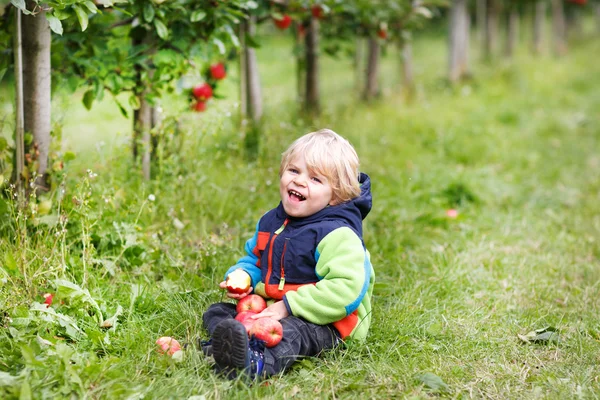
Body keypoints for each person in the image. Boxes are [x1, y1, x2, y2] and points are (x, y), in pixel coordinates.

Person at [202, 128, 375, 379]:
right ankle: (224, 348)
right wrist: (244, 277)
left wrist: (288, 306)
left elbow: (345, 290)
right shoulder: (271, 222)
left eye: (315, 179)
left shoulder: (337, 235)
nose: (300, 181)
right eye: (294, 171)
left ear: (335, 195)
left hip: (328, 320)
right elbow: (255, 258)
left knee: (294, 333)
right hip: (273, 308)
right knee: (218, 311)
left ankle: (255, 363)